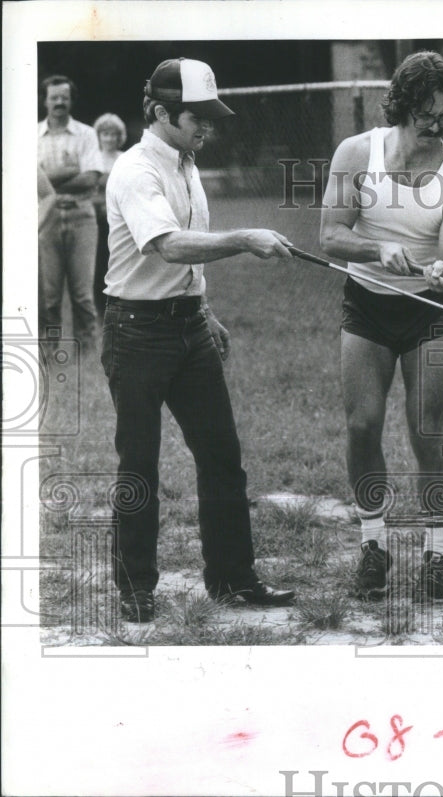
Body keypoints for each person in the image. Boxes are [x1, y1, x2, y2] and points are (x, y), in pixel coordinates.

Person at [103, 57, 296, 622]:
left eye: (211, 117)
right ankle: (136, 588)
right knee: (138, 465)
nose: (208, 127)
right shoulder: (136, 170)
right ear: (161, 113)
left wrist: (203, 309)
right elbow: (168, 244)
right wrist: (246, 238)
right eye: (198, 117)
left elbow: (186, 259)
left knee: (221, 458)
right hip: (136, 331)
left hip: (188, 326)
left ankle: (234, 580)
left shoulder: (185, 162)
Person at [319, 51, 443, 601]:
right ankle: (372, 545)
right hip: (367, 304)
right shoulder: (356, 153)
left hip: (429, 315)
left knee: (427, 433)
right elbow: (330, 236)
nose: (435, 127)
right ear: (403, 107)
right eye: (426, 114)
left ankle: (439, 553)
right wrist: (376, 247)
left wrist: (442, 271)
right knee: (363, 425)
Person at [37, 75, 102, 354]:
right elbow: (26, 181)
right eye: (54, 97)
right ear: (45, 100)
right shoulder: (32, 135)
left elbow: (91, 180)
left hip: (81, 216)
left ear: (71, 100)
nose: (59, 102)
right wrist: (70, 170)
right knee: (49, 296)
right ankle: (48, 352)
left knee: (83, 294)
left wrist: (45, 180)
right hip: (45, 219)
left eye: (64, 97)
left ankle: (87, 355)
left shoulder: (86, 134)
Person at [92, 112, 127, 319]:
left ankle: (118, 306)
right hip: (95, 221)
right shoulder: (91, 159)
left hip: (118, 222)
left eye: (113, 134)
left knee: (117, 263)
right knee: (98, 264)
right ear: (99, 136)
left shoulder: (124, 159)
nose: (109, 138)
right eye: (105, 134)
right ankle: (98, 309)